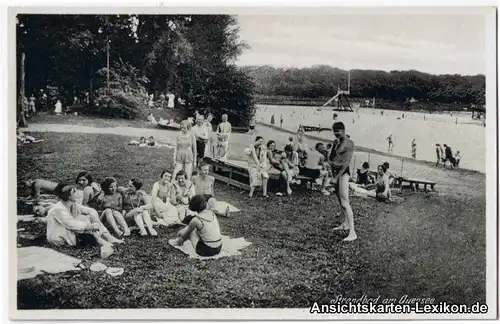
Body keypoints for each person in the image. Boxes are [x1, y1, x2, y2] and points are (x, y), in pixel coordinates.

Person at [46, 184, 123, 247]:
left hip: (69, 231)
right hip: (59, 237)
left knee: (88, 216)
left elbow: (91, 210)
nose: (78, 194)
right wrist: (91, 226)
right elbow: (71, 224)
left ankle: (109, 237)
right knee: (83, 219)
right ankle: (101, 241)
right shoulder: (58, 209)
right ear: (68, 196)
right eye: (74, 192)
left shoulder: (73, 204)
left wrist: (96, 221)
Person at [330, 122, 357, 241]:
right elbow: (332, 158)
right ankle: (345, 224)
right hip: (336, 172)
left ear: (343, 130)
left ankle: (352, 232)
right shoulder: (337, 142)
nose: (336, 133)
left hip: (343, 174)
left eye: (338, 131)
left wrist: (336, 177)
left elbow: (346, 163)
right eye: (334, 131)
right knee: (340, 201)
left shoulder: (349, 143)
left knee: (345, 202)